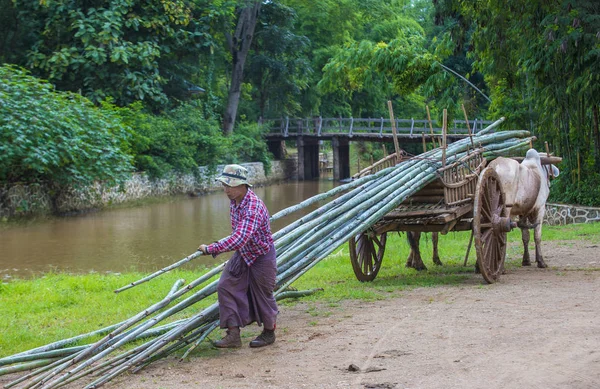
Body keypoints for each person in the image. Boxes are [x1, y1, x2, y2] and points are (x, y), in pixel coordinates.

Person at [198, 164, 278, 348]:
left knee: (263, 293)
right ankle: (233, 334)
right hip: (243, 253)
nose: (226, 190)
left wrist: (212, 248)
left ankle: (269, 333)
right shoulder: (235, 201)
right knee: (225, 286)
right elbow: (238, 237)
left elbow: (239, 239)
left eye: (230, 186)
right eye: (225, 185)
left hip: (261, 254)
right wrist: (217, 247)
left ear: (243, 185)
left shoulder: (253, 207)